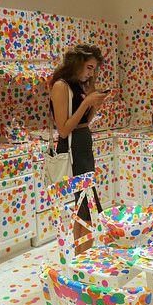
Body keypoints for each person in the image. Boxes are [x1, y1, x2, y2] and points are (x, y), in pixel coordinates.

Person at [49, 44, 108, 255]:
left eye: (94, 69)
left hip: (83, 148)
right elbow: (63, 130)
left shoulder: (76, 85)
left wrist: (93, 106)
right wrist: (86, 104)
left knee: (84, 208)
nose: (91, 73)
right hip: (73, 151)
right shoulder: (61, 86)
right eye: (89, 67)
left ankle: (79, 258)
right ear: (77, 64)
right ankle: (82, 260)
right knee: (87, 210)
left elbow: (83, 123)